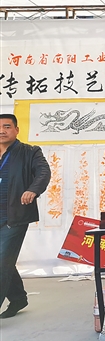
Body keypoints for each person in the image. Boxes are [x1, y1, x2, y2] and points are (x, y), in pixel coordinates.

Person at [0, 114, 50, 319]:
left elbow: (43, 173)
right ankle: (18, 298)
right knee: (5, 260)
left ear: (16, 130)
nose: (2, 131)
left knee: (2, 261)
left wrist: (33, 190)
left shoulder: (30, 152)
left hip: (14, 216)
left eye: (7, 126)